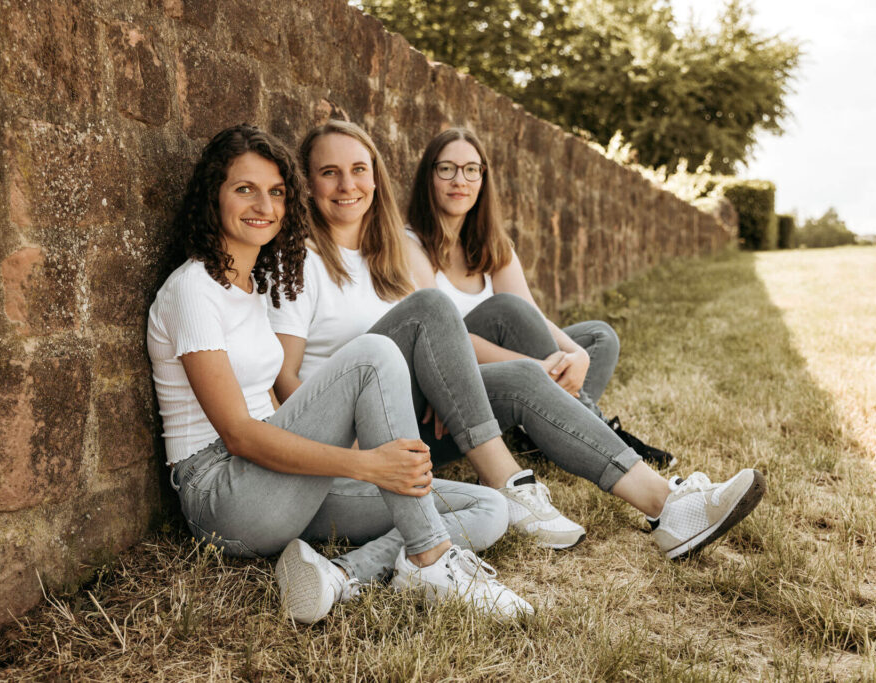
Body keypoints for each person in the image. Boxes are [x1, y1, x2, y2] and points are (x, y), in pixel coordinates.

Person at [273, 120, 766, 560]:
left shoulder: (387, 259)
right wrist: (353, 444)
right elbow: (284, 380)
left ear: (376, 178)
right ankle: (508, 481)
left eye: (359, 170)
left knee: (525, 375)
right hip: (352, 442)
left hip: (414, 426)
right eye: (329, 173)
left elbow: (425, 349)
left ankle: (668, 506)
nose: (347, 185)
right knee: (433, 307)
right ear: (308, 184)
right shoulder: (298, 261)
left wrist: (441, 389)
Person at [147, 124, 532, 625]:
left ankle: (340, 576)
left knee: (487, 509)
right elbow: (238, 435)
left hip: (279, 482)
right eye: (245, 189)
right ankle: (433, 559)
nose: (264, 205)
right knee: (373, 353)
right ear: (212, 197)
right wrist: (366, 465)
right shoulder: (192, 289)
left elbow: (271, 409)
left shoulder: (253, 286)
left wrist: (354, 463)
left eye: (276, 192)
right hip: (223, 494)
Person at [406, 127, 675, 469]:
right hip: (457, 381)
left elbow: (532, 313)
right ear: (428, 177)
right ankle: (604, 433)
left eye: (471, 170)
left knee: (598, 338)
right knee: (505, 310)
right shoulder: (410, 244)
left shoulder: (493, 245)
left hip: (509, 371)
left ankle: (539, 435)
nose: (460, 180)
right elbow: (441, 339)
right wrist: (534, 369)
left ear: (483, 179)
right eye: (446, 169)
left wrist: (577, 355)